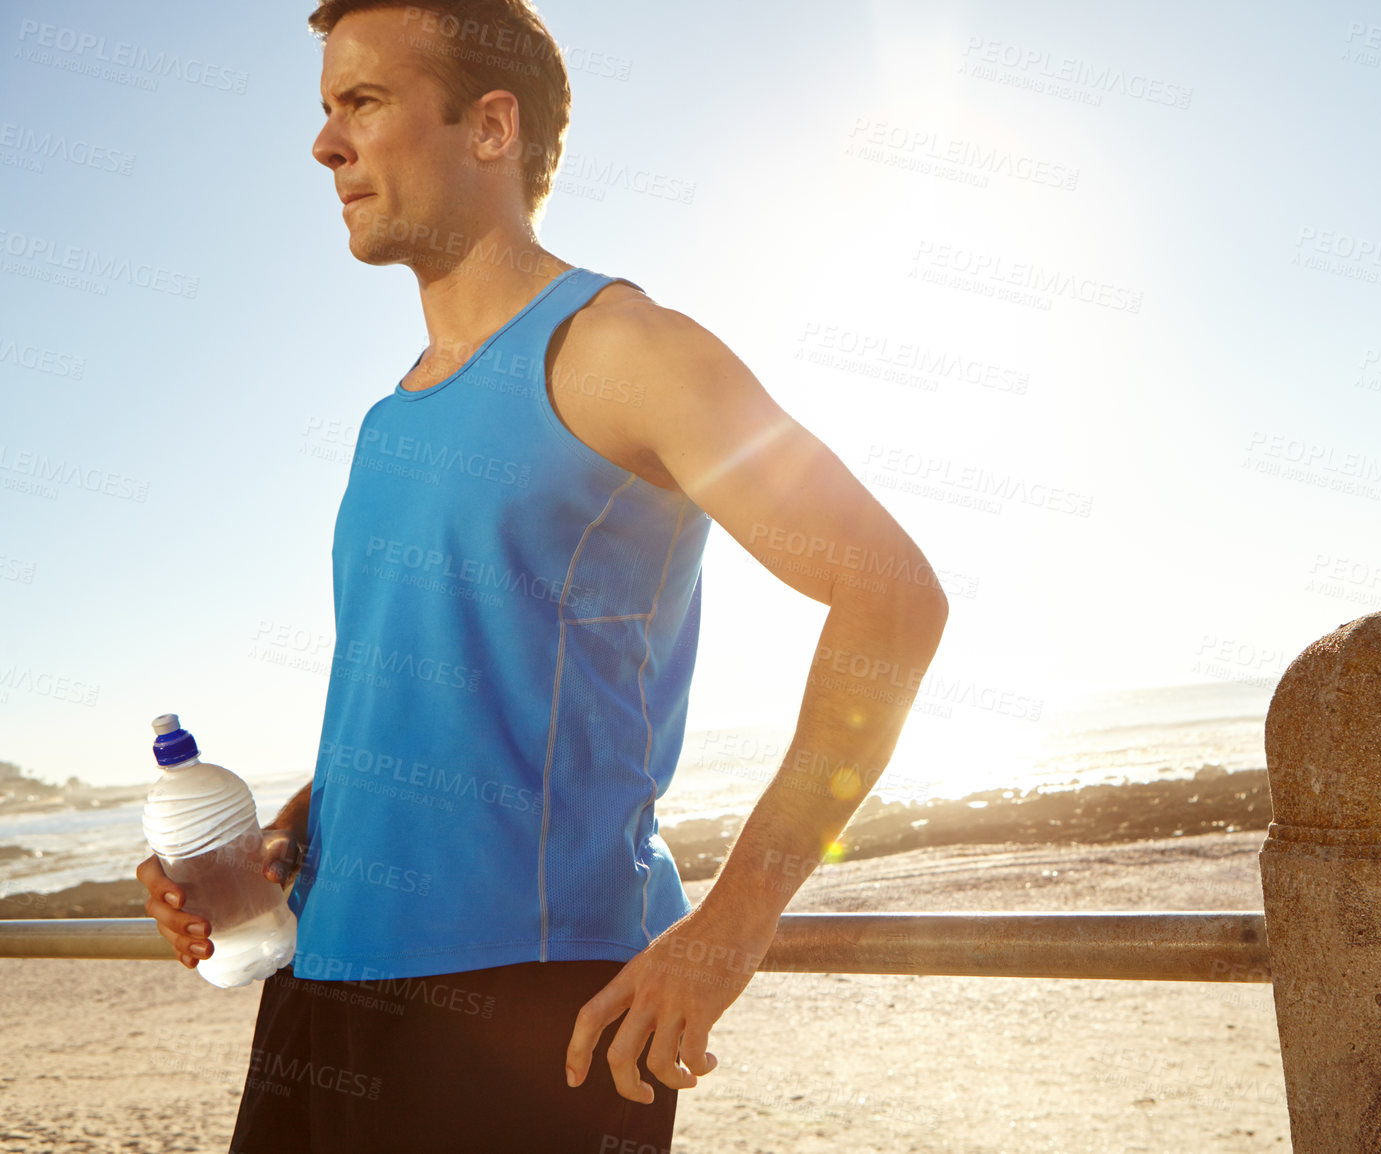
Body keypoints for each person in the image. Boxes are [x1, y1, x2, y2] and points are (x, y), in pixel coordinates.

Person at [133, 2, 948, 1149]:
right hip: (320, 984)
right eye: (325, 110)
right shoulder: (388, 417)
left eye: (362, 102)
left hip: (535, 1007)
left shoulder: (624, 350)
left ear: (491, 126)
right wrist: (283, 842)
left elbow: (895, 595)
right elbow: (442, 684)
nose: (326, 144)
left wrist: (727, 930)